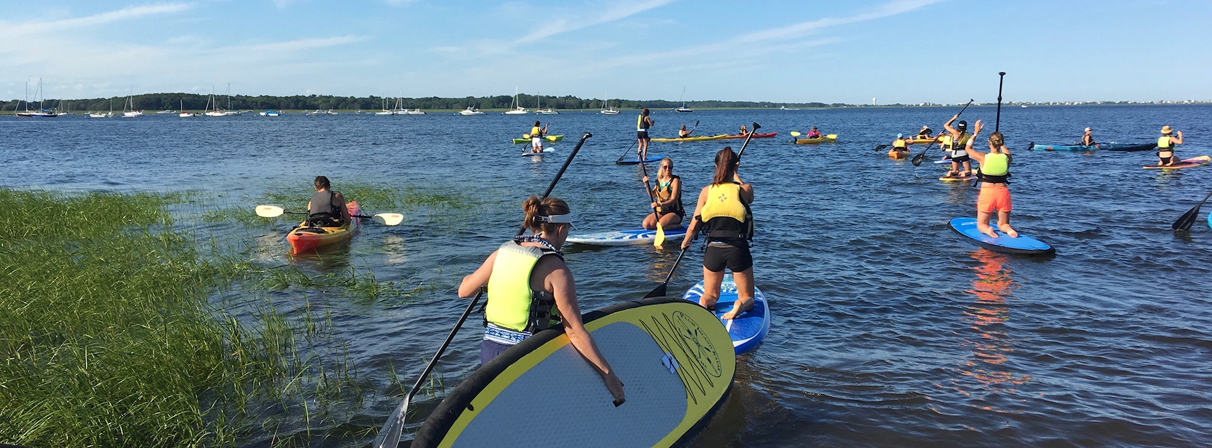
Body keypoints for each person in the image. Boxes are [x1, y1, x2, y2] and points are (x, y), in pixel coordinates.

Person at [457, 196, 626, 405]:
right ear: (561, 229)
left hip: (490, 351)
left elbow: (464, 291)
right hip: (526, 357)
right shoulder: (556, 269)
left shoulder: (502, 252)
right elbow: (574, 330)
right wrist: (608, 374)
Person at [682, 147, 754, 320]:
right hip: (737, 249)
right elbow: (747, 195)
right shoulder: (744, 190)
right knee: (748, 297)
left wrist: (685, 242)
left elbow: (694, 224)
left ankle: (704, 302)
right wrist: (736, 173)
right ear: (734, 167)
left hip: (713, 249)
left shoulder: (706, 191)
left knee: (711, 295)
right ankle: (740, 304)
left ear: (716, 166)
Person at [963, 120, 1017, 239]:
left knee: (981, 224)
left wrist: (976, 133)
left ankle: (988, 230)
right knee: (1003, 223)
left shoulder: (983, 157)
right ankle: (1008, 229)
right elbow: (1006, 152)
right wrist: (1001, 143)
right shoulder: (1007, 158)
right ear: (1001, 143)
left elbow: (967, 148)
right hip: (1003, 193)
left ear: (989, 143)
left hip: (988, 193)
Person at [641, 157, 684, 230]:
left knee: (660, 226)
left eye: (670, 167)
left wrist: (659, 204)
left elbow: (673, 199)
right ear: (662, 168)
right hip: (662, 211)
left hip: (674, 212)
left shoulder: (675, 181)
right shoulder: (660, 180)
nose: (668, 169)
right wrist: (646, 184)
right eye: (665, 167)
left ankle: (678, 226)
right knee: (646, 224)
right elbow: (653, 195)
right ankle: (665, 224)